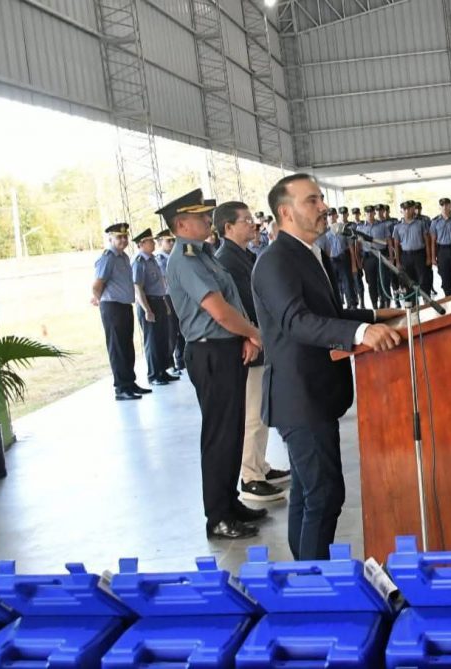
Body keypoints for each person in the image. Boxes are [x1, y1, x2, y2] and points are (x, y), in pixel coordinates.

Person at [251, 173, 403, 560]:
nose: (324, 207)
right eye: (312, 201)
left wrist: (375, 316)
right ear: (286, 212)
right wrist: (361, 332)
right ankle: (314, 581)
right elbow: (297, 321)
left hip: (314, 393)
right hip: (299, 396)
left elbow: (328, 313)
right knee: (324, 495)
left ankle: (304, 574)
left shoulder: (307, 253)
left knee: (308, 493)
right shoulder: (276, 261)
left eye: (321, 199)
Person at [162, 189, 266, 541]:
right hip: (210, 353)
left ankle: (229, 503)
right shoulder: (185, 259)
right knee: (219, 435)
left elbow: (231, 302)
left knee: (232, 431)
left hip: (227, 347)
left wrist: (245, 337)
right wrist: (255, 334)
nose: (209, 220)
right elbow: (219, 311)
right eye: (201, 217)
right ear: (181, 224)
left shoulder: (204, 254)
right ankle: (218, 517)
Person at [213, 200, 290, 505]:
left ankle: (260, 465)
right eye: (245, 220)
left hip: (261, 339)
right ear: (228, 227)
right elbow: (238, 306)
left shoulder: (244, 255)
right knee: (252, 414)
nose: (253, 225)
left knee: (261, 410)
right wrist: (251, 335)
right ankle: (250, 477)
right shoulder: (226, 260)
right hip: (249, 343)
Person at [92, 222, 149, 401]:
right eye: (119, 237)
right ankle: (121, 387)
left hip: (124, 305)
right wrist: (99, 299)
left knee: (127, 346)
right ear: (110, 238)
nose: (123, 240)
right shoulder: (108, 258)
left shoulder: (123, 257)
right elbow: (97, 284)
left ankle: (130, 383)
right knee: (117, 348)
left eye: (125, 237)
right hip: (112, 306)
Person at [131, 228, 177, 386]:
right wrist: (147, 309)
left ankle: (162, 371)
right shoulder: (139, 261)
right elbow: (138, 288)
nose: (153, 243)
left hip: (159, 300)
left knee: (162, 338)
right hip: (148, 302)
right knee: (152, 341)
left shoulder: (152, 259)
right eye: (150, 241)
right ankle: (154, 374)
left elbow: (160, 285)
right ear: (141, 244)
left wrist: (165, 304)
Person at [155, 229, 185, 373]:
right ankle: (169, 364)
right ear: (160, 242)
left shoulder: (176, 256)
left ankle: (181, 360)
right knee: (171, 331)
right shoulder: (159, 259)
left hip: (179, 295)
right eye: (168, 241)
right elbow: (164, 280)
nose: (172, 243)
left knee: (181, 328)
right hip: (167, 296)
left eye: (173, 240)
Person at [392, 201, 430, 297]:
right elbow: (396, 245)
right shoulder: (397, 227)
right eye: (405, 209)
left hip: (419, 255)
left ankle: (426, 300)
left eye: (409, 209)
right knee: (408, 281)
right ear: (401, 211)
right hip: (406, 256)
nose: (407, 211)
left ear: (413, 209)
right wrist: (398, 261)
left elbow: (426, 241)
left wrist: (429, 257)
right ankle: (411, 302)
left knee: (423, 280)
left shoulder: (420, 223)